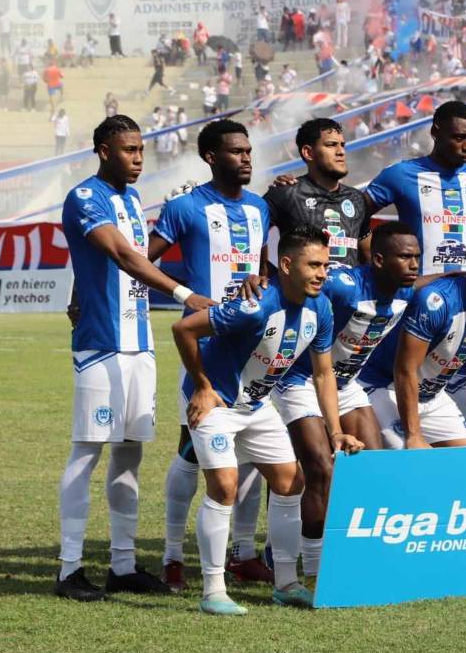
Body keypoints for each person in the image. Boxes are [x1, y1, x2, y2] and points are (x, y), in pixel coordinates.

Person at [172, 227, 362, 616]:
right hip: (217, 406)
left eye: (325, 265)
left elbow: (324, 374)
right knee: (224, 487)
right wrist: (203, 386)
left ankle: (287, 583)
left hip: (257, 408)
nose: (322, 272)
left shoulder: (321, 308)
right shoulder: (255, 305)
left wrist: (336, 430)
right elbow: (184, 328)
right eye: (313, 264)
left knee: (291, 482)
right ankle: (212, 591)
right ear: (286, 264)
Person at [54, 116, 172, 601]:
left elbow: (104, 260)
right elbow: (122, 256)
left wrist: (79, 288)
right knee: (87, 451)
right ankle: (68, 569)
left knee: (130, 455)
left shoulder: (130, 198)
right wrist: (183, 294)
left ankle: (122, 565)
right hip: (101, 345)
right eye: (128, 150)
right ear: (104, 151)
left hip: (138, 343)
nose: (138, 158)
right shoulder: (86, 197)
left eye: (141, 149)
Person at [151, 120, 271, 591]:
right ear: (209, 156)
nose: (246, 157)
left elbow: (262, 268)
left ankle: (242, 553)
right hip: (202, 349)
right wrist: (184, 293)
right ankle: (172, 556)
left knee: (252, 452)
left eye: (248, 150)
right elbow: (144, 258)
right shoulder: (185, 207)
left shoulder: (261, 206)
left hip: (253, 349)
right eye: (236, 151)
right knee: (189, 452)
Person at [270, 223, 421, 587]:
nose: (413, 264)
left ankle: (357, 554)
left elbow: (430, 282)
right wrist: (261, 282)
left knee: (371, 462)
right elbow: (292, 286)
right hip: (299, 379)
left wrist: (456, 273)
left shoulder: (406, 292)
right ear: (379, 260)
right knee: (320, 468)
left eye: (416, 257)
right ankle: (316, 569)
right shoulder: (343, 285)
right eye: (404, 257)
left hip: (345, 382)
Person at [358, 231, 466, 450]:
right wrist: (414, 435)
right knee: (409, 458)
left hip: (432, 396)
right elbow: (405, 370)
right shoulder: (435, 302)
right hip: (386, 387)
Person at [364, 101, 466, 274]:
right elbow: (354, 216)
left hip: (463, 293)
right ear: (435, 132)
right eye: (459, 138)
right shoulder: (401, 174)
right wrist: (370, 255)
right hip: (417, 293)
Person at [265, 119, 370, 270]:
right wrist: (272, 276)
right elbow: (249, 237)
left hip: (348, 293)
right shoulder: (286, 192)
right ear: (308, 152)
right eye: (331, 145)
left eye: (342, 145)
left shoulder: (356, 198)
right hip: (302, 294)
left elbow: (368, 258)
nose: (341, 151)